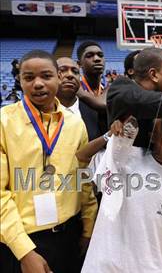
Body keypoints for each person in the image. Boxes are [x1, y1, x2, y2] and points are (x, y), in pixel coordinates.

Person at [0, 50, 98, 273]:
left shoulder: (75, 124)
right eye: (28, 77)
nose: (38, 84)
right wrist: (24, 251)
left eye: (46, 76)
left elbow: (82, 179)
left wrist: (88, 227)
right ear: (19, 80)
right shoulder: (3, 122)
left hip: (69, 235)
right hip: (21, 239)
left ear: (58, 77)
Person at [81, 115, 162, 273]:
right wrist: (110, 135)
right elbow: (82, 156)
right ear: (152, 135)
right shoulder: (124, 155)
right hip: (105, 267)